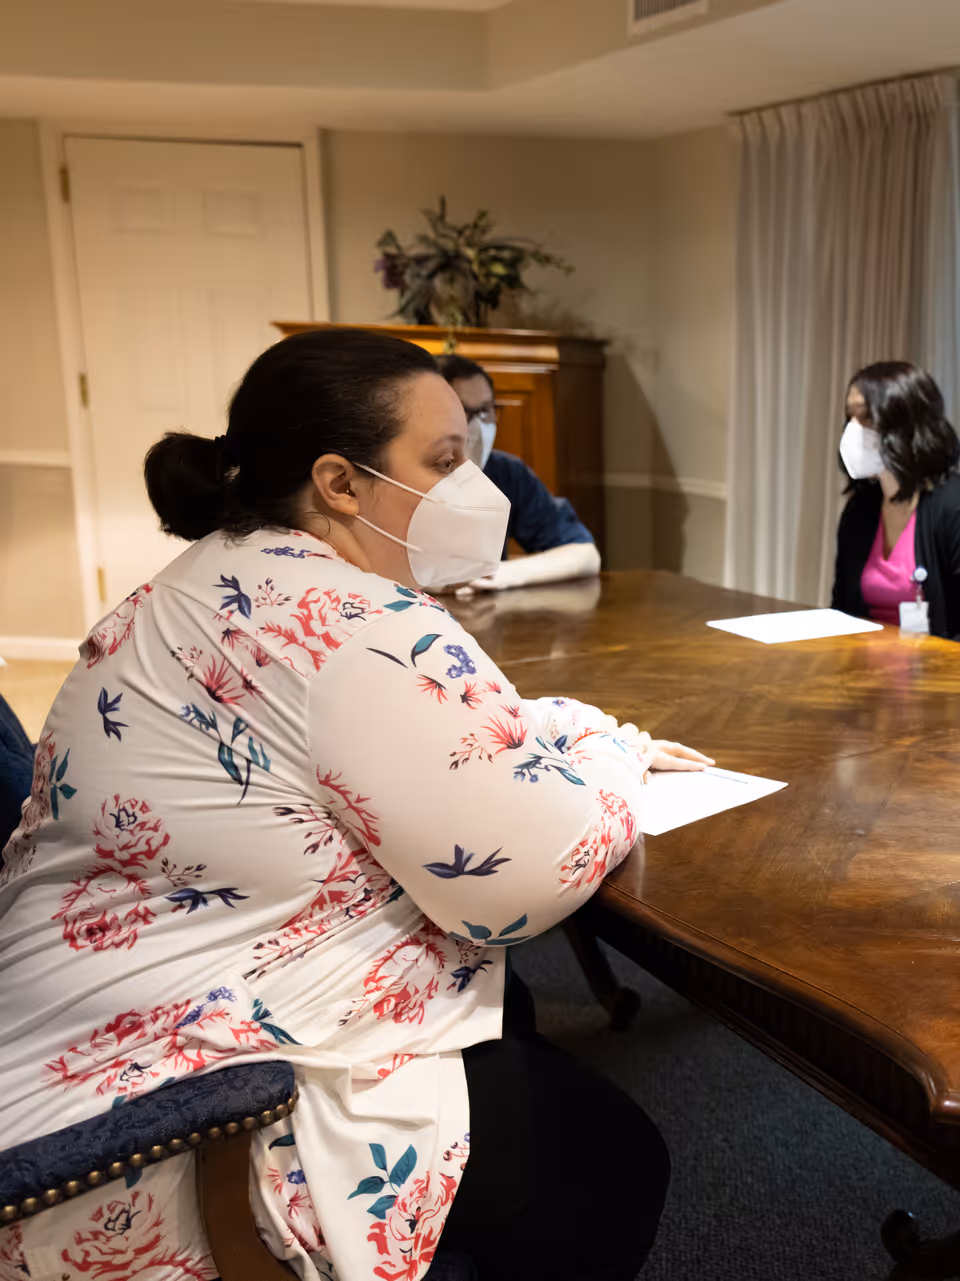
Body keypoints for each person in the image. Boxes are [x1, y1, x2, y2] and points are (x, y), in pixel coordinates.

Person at [0, 329, 710, 1281]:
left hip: (72, 1023)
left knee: (518, 1016)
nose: (476, 486)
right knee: (608, 1157)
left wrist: (570, 729)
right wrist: (615, 762)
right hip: (180, 1112)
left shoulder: (187, 589)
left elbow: (406, 734)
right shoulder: (358, 624)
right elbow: (519, 879)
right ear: (339, 481)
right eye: (444, 459)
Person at [830, 361, 960, 654]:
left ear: (907, 426)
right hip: (868, 679)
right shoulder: (861, 510)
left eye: (867, 419)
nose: (853, 431)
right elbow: (843, 614)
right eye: (850, 417)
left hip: (947, 684)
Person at [436, 353, 601, 592]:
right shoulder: (394, 474)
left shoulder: (505, 472)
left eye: (486, 411)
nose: (478, 426)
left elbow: (584, 554)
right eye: (464, 412)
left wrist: (497, 574)